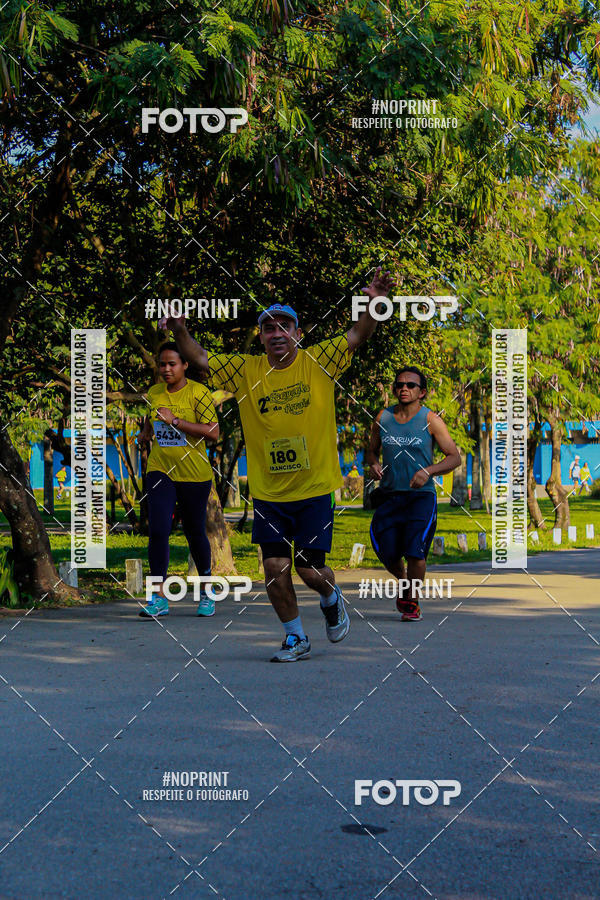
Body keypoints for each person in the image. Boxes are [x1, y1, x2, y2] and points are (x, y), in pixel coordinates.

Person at [165, 267, 395, 661]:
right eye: (268, 327)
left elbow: (358, 335)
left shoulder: (319, 360)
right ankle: (295, 637)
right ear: (262, 336)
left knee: (308, 569)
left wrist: (374, 302)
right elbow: (200, 357)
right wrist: (181, 330)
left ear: (297, 333)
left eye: (284, 326)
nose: (276, 333)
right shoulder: (245, 370)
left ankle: (330, 595)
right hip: (269, 491)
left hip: (314, 487)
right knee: (273, 566)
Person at [366, 366, 461, 622]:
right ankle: (407, 582)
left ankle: (411, 601)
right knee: (385, 548)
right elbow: (371, 451)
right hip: (390, 496)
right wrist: (373, 464)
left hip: (421, 497)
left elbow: (454, 458)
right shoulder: (382, 418)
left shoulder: (430, 420)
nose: (404, 389)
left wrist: (428, 471)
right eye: (399, 385)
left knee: (415, 551)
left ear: (422, 392)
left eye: (410, 385)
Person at [137, 342, 219, 618]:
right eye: (162, 364)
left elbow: (213, 432)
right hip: (161, 469)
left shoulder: (199, 392)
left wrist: (176, 422)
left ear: (185, 365)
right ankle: (158, 597)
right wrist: (146, 433)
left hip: (194, 473)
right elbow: (152, 417)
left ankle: (207, 591)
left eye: (173, 364)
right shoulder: (154, 392)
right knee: (158, 529)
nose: (166, 369)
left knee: (194, 532)